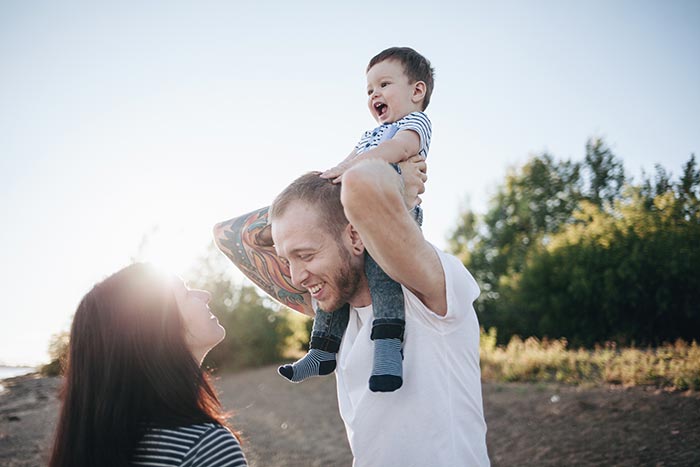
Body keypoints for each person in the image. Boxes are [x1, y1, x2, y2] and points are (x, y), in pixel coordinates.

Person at [213, 162, 490, 465]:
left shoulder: (425, 293)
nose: (296, 278)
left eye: (305, 255)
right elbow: (228, 235)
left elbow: (361, 180)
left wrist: (396, 175)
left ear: (356, 237)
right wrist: (316, 199)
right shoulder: (335, 315)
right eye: (287, 260)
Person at [278, 46, 435, 393]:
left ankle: (388, 346)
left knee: (383, 275)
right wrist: (325, 181)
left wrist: (353, 168)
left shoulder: (414, 123)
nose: (374, 94)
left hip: (395, 218)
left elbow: (398, 151)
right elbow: (348, 161)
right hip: (359, 216)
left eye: (383, 84)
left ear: (417, 91)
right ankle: (322, 348)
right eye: (368, 91)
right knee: (335, 268)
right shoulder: (368, 136)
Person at [49, 263, 248, 467]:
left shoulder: (93, 445)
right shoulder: (206, 447)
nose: (205, 295)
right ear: (159, 331)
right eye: (186, 293)